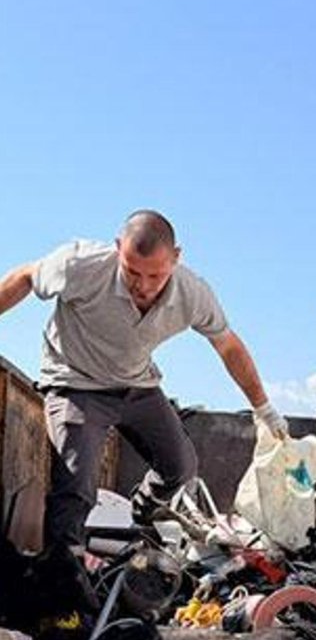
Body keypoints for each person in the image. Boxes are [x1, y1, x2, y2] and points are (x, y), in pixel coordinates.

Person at [0, 210, 285, 562]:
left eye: (156, 275)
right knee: (76, 483)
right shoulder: (81, 264)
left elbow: (227, 345)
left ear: (176, 258)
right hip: (76, 382)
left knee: (180, 466)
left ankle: (142, 514)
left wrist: (263, 408)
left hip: (137, 386)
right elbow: (26, 276)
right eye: (132, 272)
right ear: (118, 248)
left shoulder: (193, 293)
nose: (143, 286)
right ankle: (63, 568)